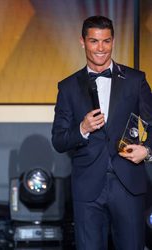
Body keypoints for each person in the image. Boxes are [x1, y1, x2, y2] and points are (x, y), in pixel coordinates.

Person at [52, 15, 152, 250]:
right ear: (82, 42)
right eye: (94, 41)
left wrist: (147, 151)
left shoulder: (135, 80)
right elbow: (59, 140)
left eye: (106, 41)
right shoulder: (68, 87)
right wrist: (82, 129)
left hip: (128, 185)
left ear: (113, 41)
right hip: (88, 189)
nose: (101, 48)